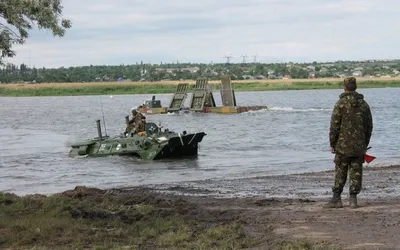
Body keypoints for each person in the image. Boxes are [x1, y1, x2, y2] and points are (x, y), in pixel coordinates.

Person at [324, 77, 373, 209]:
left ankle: (336, 198)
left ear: (344, 87)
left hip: (342, 146)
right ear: (355, 87)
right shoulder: (364, 104)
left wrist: (332, 144)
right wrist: (364, 144)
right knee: (356, 171)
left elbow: (334, 126)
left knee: (341, 170)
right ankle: (353, 199)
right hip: (359, 146)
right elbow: (369, 126)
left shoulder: (340, 104)